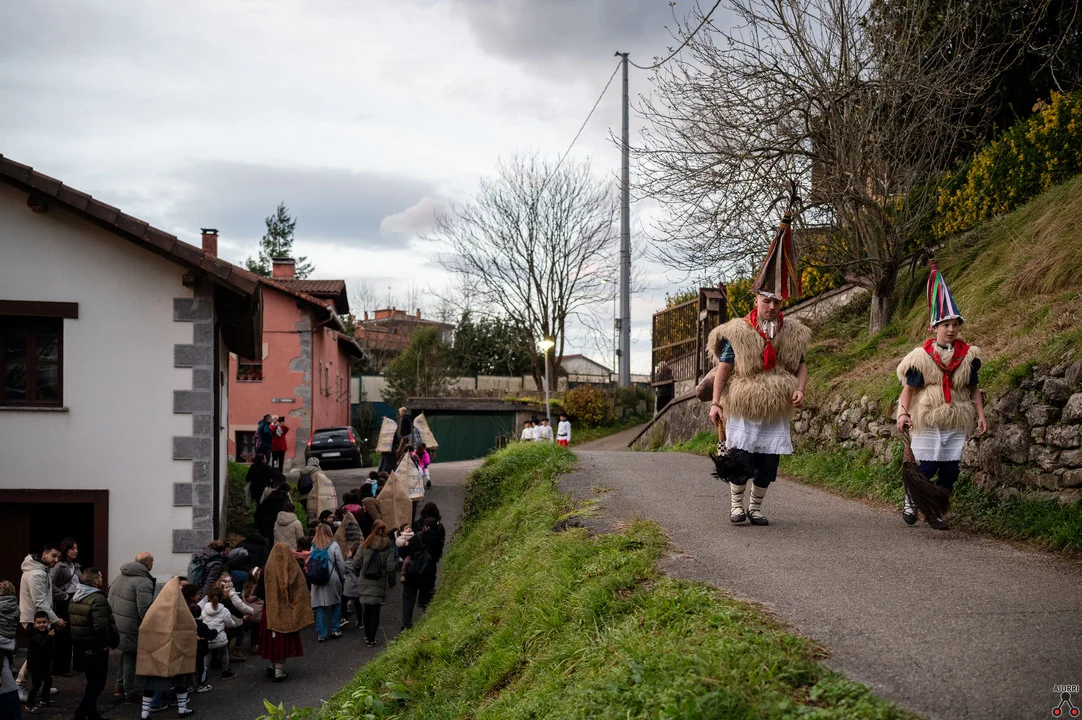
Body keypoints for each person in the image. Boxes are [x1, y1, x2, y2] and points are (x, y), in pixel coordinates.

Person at [707, 198, 810, 526]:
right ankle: (736, 506)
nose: (772, 306)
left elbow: (800, 365)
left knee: (768, 464)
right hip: (744, 404)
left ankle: (756, 507)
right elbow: (724, 369)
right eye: (766, 301)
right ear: (756, 300)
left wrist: (800, 389)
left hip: (774, 407)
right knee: (741, 458)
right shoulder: (739, 331)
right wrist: (716, 403)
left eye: (776, 301)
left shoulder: (791, 332)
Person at [896, 262, 987, 529]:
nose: (951, 329)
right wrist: (903, 413)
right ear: (934, 328)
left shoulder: (968, 357)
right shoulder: (922, 358)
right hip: (928, 416)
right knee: (927, 467)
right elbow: (909, 389)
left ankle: (934, 507)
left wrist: (981, 416)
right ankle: (914, 500)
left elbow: (973, 389)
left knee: (951, 470)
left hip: (955, 416)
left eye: (955, 324)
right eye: (945, 324)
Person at [135, 578, 197, 719]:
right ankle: (182, 709)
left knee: (151, 684)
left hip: (155, 657)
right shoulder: (182, 609)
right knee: (181, 681)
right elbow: (191, 627)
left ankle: (144, 713)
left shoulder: (154, 610)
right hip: (178, 654)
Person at [256, 543, 312, 682]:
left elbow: (259, 592)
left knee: (270, 640)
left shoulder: (265, 569)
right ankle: (279, 671)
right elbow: (301, 588)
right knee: (282, 640)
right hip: (285, 612)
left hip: (269, 611)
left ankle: (272, 666)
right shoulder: (292, 569)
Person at [69, 567, 119, 720]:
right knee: (98, 683)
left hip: (80, 646)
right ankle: (80, 713)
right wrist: (108, 642)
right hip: (95, 647)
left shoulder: (76, 597)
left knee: (91, 681)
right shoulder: (98, 599)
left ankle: (92, 714)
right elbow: (101, 626)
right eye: (101, 577)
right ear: (96, 581)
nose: (102, 579)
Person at [108, 552, 154, 703]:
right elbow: (144, 608)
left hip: (117, 621)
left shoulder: (121, 575)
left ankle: (119, 687)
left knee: (125, 654)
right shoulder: (143, 581)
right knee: (131, 658)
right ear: (148, 563)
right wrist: (150, 626)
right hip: (131, 624)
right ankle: (130, 692)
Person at [18, 544, 63, 693]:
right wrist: (55, 620)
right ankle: (19, 685)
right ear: (44, 554)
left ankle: (40, 685)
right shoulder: (36, 574)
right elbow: (40, 602)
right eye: (54, 556)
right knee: (36, 653)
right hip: (34, 619)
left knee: (42, 653)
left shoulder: (42, 569)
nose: (56, 560)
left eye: (58, 557)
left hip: (38, 618)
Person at [400, 510, 446, 630]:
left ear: (426, 527)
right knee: (427, 600)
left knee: (409, 599)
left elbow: (405, 552)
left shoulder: (418, 537)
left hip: (413, 573)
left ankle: (406, 626)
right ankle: (428, 625)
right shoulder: (439, 539)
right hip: (429, 573)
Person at [355, 521, 396, 647]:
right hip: (378, 581)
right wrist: (391, 583)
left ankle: (367, 636)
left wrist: (359, 574)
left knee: (367, 609)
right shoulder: (387, 546)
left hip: (364, 580)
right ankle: (371, 638)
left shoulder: (364, 544)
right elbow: (390, 567)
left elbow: (355, 563)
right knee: (375, 610)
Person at [308, 524, 346, 642]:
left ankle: (321, 634)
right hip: (331, 577)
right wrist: (342, 577)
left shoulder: (313, 547)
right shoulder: (334, 545)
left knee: (320, 606)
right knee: (335, 603)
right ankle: (335, 629)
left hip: (317, 578)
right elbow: (340, 564)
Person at [49, 537, 80, 677]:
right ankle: (59, 669)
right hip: (63, 602)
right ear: (65, 550)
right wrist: (64, 596)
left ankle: (67, 667)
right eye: (72, 548)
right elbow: (50, 585)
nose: (76, 551)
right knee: (62, 635)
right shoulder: (58, 566)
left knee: (71, 635)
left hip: (74, 600)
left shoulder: (75, 565)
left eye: (76, 548)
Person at [199, 587, 238, 682]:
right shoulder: (224, 610)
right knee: (224, 652)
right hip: (220, 637)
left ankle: (204, 675)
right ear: (221, 598)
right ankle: (225, 672)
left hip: (207, 637)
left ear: (208, 597)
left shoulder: (203, 609)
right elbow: (230, 624)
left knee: (207, 655)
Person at [23, 612, 53, 714]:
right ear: (35, 624)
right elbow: (41, 646)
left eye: (44, 622)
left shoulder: (46, 632)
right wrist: (49, 637)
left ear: (48, 622)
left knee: (48, 680)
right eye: (39, 623)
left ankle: (44, 700)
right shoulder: (34, 635)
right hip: (36, 666)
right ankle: (29, 705)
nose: (41, 625)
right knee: (36, 685)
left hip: (44, 664)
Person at [256, 478, 292, 542]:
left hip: (268, 522)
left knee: (271, 541)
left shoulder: (270, 497)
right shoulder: (286, 501)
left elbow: (261, 506)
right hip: (279, 524)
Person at [340, 542, 361, 633]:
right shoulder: (361, 563)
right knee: (358, 605)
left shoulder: (347, 563)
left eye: (349, 552)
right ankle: (360, 622)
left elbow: (342, 571)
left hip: (348, 587)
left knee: (343, 601)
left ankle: (344, 618)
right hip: (358, 586)